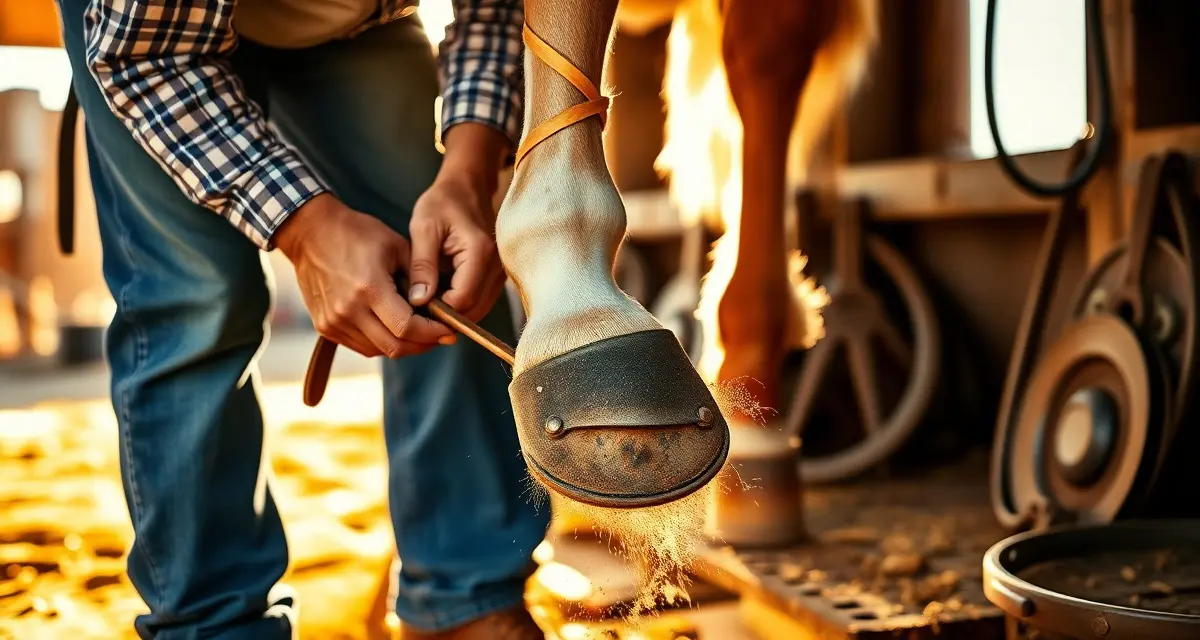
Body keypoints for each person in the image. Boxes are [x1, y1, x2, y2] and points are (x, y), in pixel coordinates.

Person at [54, 0, 549, 637]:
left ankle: (465, 601)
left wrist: (468, 173)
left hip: (354, 22)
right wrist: (307, 228)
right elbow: (143, 53)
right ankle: (215, 626)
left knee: (447, 267)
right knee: (196, 300)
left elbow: (497, 7)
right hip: (151, 45)